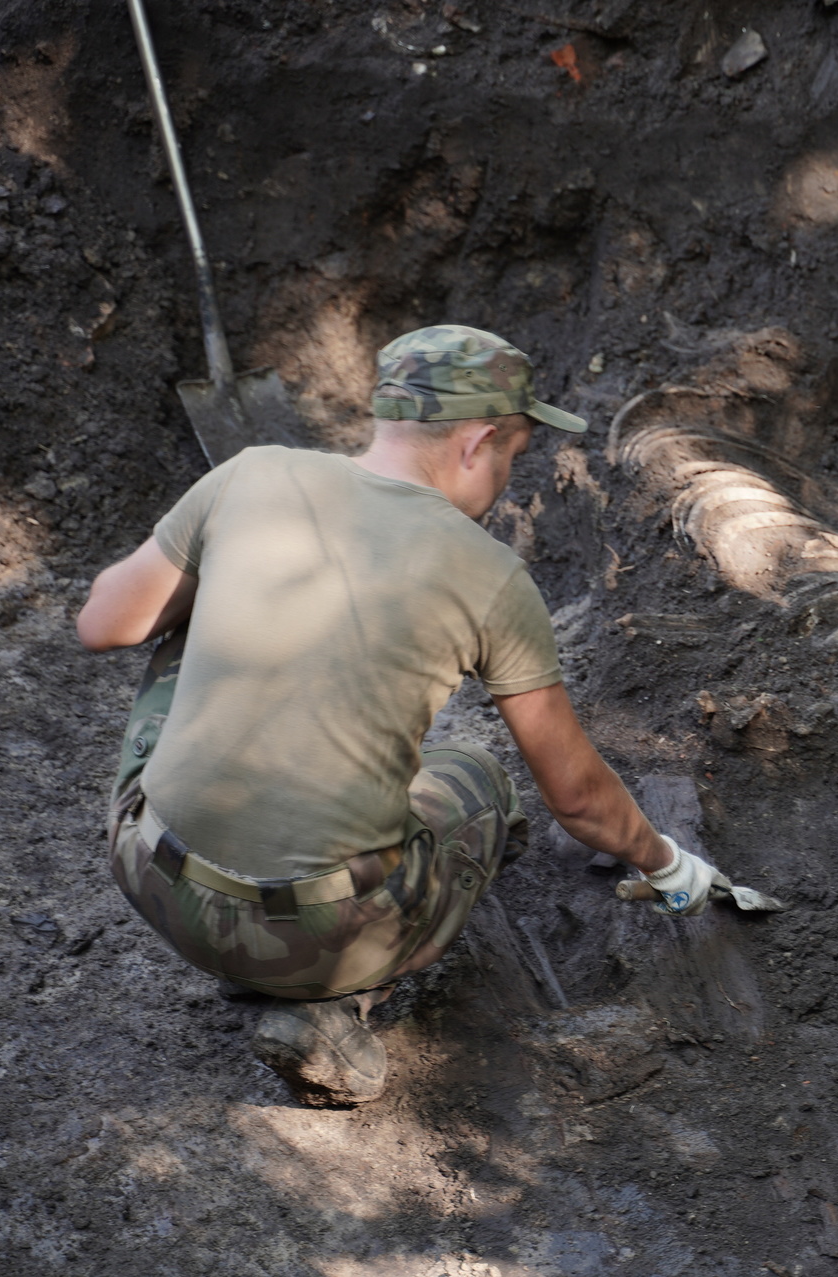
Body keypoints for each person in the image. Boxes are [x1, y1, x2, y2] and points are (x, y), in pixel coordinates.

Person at [76, 325, 730, 1106]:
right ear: (478, 441)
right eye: (513, 458)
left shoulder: (249, 476)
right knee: (478, 775)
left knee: (178, 620)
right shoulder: (488, 574)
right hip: (321, 939)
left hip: (156, 885)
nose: (505, 477)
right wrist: (668, 864)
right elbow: (579, 797)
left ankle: (247, 922)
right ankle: (341, 1003)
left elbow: (104, 623)